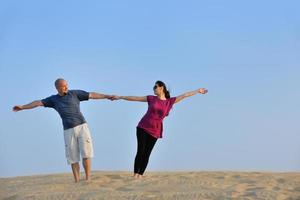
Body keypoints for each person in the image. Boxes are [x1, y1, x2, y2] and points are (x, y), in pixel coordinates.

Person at [12, 78, 113, 183]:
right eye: (63, 86)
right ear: (57, 88)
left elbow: (92, 95)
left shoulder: (74, 94)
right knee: (72, 157)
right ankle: (77, 181)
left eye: (67, 85)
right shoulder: (53, 99)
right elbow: (38, 103)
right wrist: (23, 107)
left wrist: (106, 96)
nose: (66, 87)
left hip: (82, 126)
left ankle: (88, 179)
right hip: (68, 130)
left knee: (86, 153)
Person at [111, 80, 208, 178]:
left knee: (147, 153)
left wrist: (198, 91)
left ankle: (140, 175)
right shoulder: (151, 98)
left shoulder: (169, 102)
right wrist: (120, 97)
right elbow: (135, 98)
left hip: (155, 131)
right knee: (140, 151)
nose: (154, 88)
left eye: (155, 87)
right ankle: (135, 174)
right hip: (143, 127)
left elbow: (185, 95)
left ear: (161, 88)